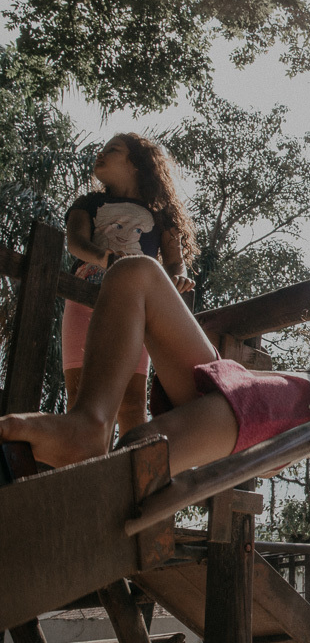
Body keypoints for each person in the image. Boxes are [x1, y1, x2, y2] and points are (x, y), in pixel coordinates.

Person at [0, 263, 310, 477]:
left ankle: (78, 486)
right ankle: (89, 421)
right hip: (252, 391)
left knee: (140, 452)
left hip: (281, 418)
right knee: (135, 273)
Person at [62, 133, 198, 437]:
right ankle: (81, 465)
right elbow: (76, 242)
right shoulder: (88, 203)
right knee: (78, 397)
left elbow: (175, 261)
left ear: (136, 164)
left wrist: (178, 276)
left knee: (132, 402)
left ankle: (128, 465)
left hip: (134, 310)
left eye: (112, 149)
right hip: (84, 296)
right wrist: (106, 258)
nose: (101, 153)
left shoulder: (162, 214)